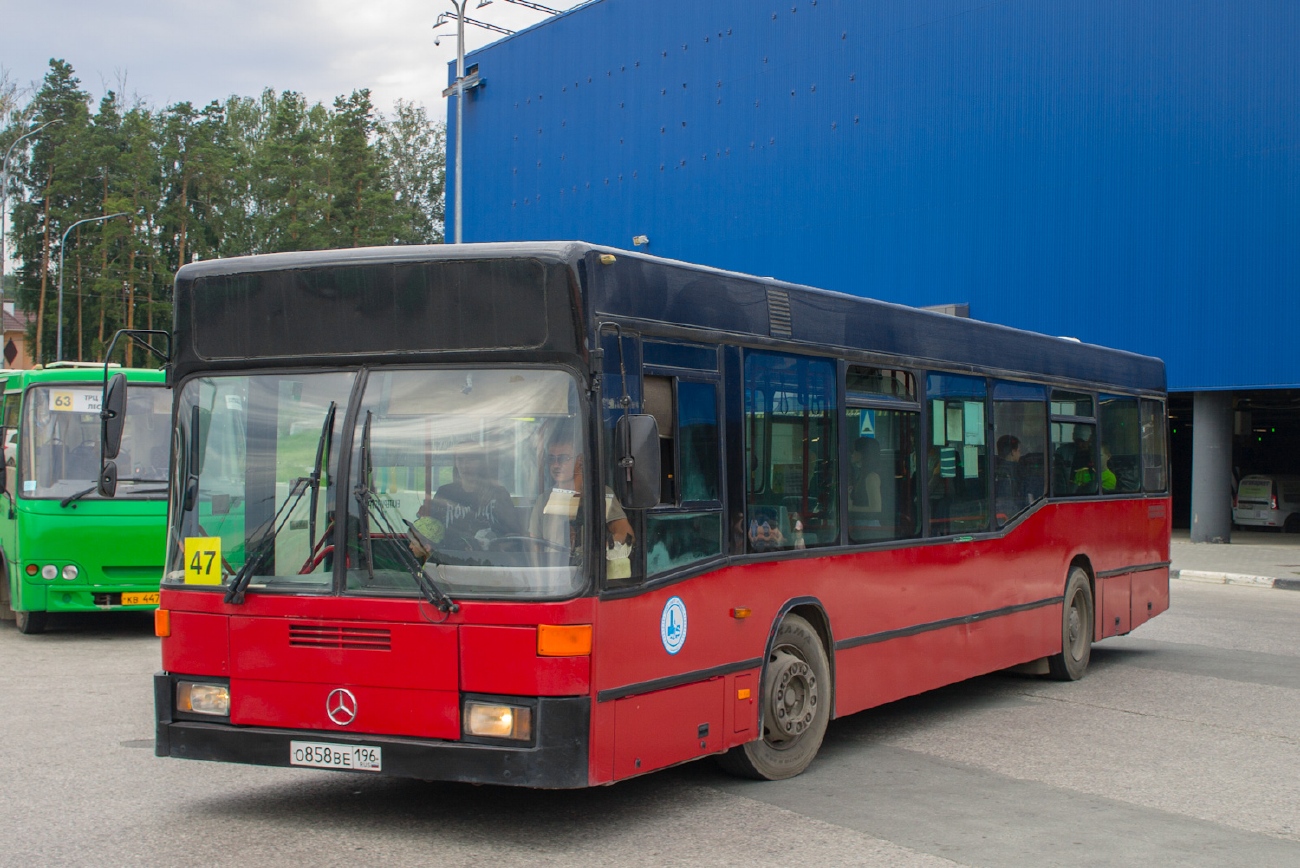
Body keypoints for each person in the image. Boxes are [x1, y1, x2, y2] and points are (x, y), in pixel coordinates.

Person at [530, 429, 634, 565]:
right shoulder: (544, 500)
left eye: (562, 458)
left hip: (590, 572)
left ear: (580, 461)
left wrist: (598, 551)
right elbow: (534, 545)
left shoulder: (600, 495)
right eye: (551, 459)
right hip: (553, 573)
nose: (555, 465)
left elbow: (625, 534)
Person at [410, 442, 521, 558]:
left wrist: (496, 548)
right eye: (460, 460)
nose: (465, 466)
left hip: (491, 563)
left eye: (471, 460)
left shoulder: (498, 494)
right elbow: (432, 534)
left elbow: (513, 536)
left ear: (482, 463)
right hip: (449, 561)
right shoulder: (444, 493)